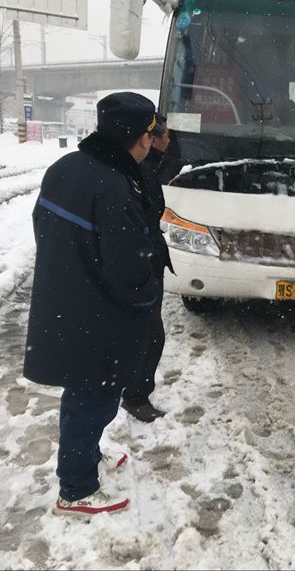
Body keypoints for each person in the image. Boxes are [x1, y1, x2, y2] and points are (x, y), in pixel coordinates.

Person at [23, 92, 161, 516]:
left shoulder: (67, 167)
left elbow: (42, 225)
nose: (152, 141)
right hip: (100, 313)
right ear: (138, 136)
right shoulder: (114, 184)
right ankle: (76, 489)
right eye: (150, 133)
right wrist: (148, 295)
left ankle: (86, 457)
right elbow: (127, 266)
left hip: (71, 299)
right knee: (93, 398)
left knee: (85, 393)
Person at [121, 114, 174, 423]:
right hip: (143, 262)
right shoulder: (140, 171)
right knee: (150, 334)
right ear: (152, 138)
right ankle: (135, 396)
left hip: (148, 258)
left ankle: (133, 390)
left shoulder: (148, 167)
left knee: (148, 331)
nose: (171, 140)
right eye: (167, 135)